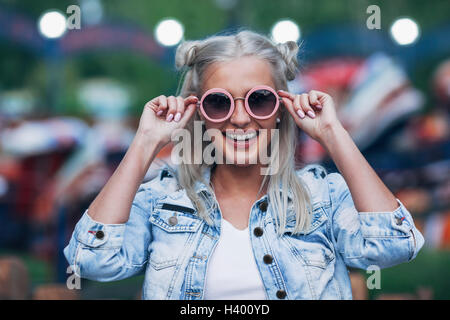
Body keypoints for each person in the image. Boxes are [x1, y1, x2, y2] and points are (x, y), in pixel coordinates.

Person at [64, 30, 424, 300]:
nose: (239, 119)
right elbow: (91, 259)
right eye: (219, 103)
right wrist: (144, 143)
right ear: (199, 113)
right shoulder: (162, 200)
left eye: (260, 100)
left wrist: (333, 133)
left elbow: (396, 244)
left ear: (281, 109)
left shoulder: (323, 197)